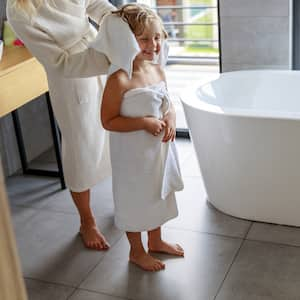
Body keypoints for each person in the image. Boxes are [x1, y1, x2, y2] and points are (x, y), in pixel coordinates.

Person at [6, 0, 117, 251]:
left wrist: (121, 25)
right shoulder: (18, 11)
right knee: (80, 146)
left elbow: (97, 4)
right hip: (72, 75)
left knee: (115, 133)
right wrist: (105, 60)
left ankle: (123, 199)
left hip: (99, 49)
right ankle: (86, 221)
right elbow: (58, 62)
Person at [101, 3, 184, 271]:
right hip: (133, 157)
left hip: (157, 152)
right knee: (135, 199)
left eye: (157, 37)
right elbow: (108, 120)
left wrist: (170, 117)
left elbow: (167, 102)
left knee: (156, 194)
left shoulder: (156, 69)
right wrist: (143, 122)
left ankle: (156, 240)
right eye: (144, 38)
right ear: (127, 40)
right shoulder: (120, 79)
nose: (153, 45)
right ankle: (136, 251)